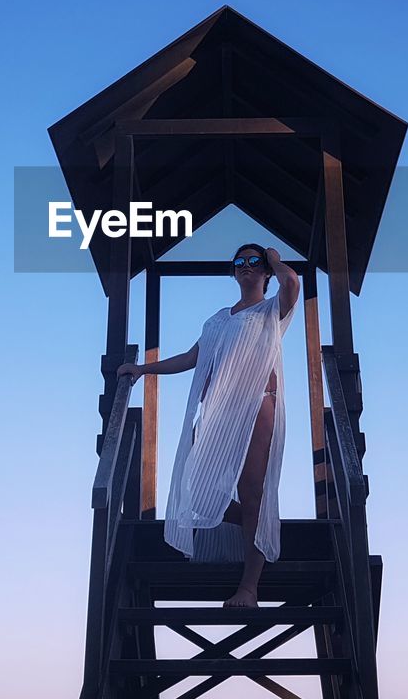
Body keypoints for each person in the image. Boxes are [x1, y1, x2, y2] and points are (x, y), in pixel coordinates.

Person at [118, 243, 299, 608]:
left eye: (255, 262)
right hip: (218, 413)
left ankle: (249, 588)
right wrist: (142, 370)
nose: (246, 266)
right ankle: (258, 522)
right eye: (240, 262)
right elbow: (190, 358)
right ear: (233, 272)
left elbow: (292, 284)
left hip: (258, 405)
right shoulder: (218, 319)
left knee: (251, 492)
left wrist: (275, 259)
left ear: (264, 272)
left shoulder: (270, 311)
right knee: (197, 490)